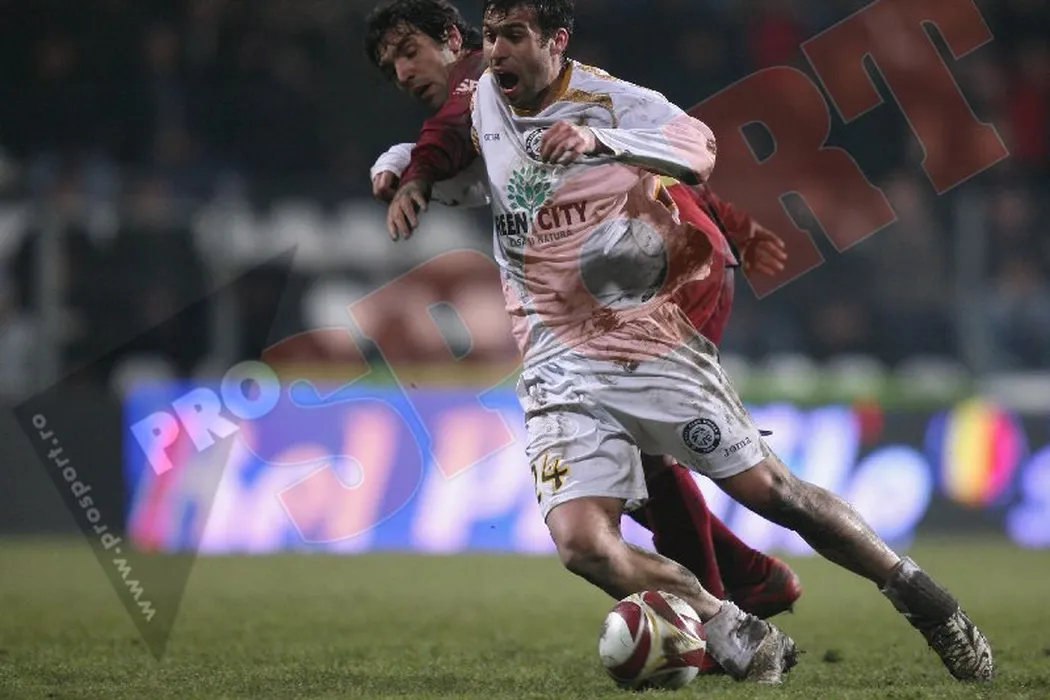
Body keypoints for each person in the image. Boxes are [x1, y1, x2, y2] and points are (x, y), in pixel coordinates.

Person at [376, 0, 995, 685]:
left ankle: (923, 599)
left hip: (642, 341)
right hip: (554, 363)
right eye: (491, 36)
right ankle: (735, 629)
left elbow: (699, 147)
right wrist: (403, 168)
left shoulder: (606, 99)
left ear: (555, 42)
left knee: (772, 492)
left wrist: (603, 143)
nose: (496, 51)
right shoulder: (483, 100)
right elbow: (469, 167)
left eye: (513, 36)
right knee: (583, 546)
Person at [364, 0, 801, 638]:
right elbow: (471, 164)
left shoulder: (481, 77)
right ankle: (743, 577)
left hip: (668, 266)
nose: (403, 73)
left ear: (454, 39)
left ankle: (724, 608)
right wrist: (401, 161)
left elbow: (450, 134)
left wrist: (413, 170)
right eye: (390, 68)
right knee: (633, 453)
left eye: (410, 52)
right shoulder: (501, 109)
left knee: (643, 443)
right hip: (648, 266)